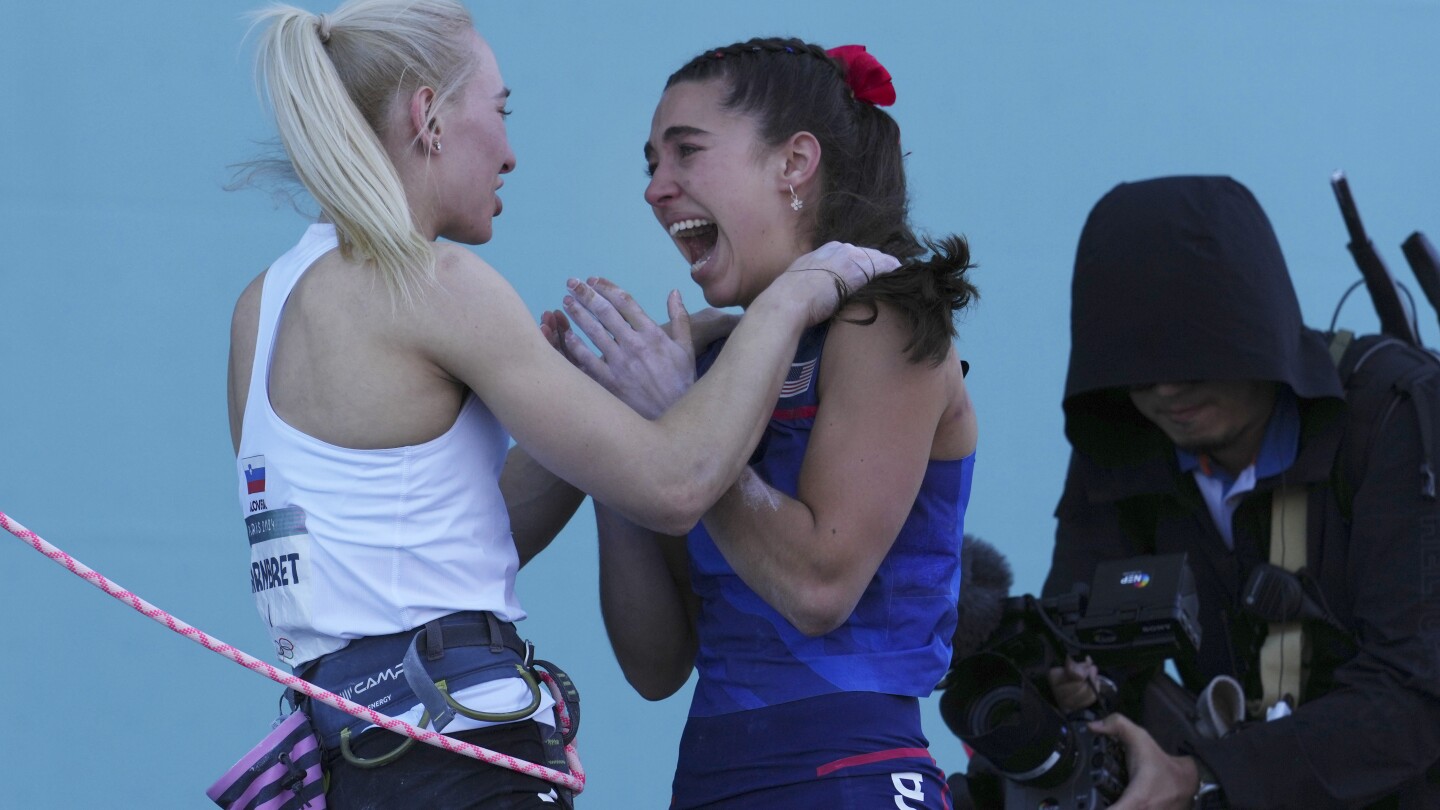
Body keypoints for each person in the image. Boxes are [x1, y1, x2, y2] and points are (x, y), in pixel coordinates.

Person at [227, 3, 897, 807]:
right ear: (427, 118)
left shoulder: (261, 305)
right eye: (499, 112)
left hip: (349, 759)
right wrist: (790, 301)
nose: (509, 154)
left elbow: (438, 543)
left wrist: (589, 410)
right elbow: (678, 484)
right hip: (456, 755)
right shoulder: (435, 285)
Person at [550, 37, 979, 809]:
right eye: (651, 163)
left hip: (853, 775)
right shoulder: (716, 365)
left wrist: (675, 424)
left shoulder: (884, 317)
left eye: (686, 153)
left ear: (794, 164)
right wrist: (620, 445)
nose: (656, 189)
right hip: (711, 779)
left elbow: (819, 588)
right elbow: (656, 665)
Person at [1042, 175, 1440, 808]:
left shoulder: (1397, 416)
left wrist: (1201, 774)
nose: (1167, 389)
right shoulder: (1124, 441)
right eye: (1136, 364)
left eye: (1195, 356)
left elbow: (1415, 693)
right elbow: (1084, 640)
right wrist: (1066, 685)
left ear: (1258, 332)